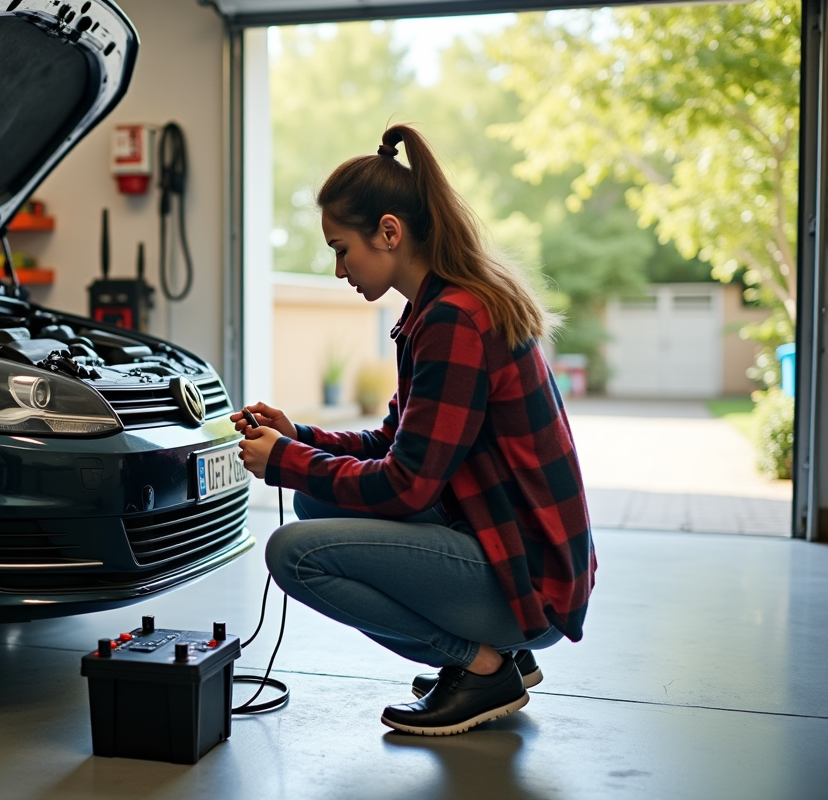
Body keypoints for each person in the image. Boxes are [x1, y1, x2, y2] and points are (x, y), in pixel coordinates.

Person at [232, 124, 595, 737]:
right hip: (510, 551)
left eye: (341, 249)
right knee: (313, 500)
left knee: (292, 553)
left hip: (528, 586)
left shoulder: (454, 320)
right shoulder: (440, 308)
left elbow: (408, 487)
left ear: (389, 232)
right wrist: (299, 439)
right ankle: (503, 659)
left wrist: (285, 461)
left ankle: (482, 665)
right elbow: (393, 444)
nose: (339, 268)